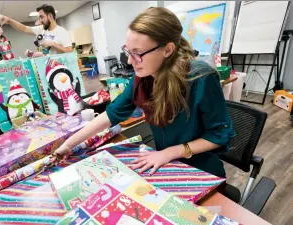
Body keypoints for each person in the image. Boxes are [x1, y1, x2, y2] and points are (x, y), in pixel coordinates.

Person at [51, 7, 235, 178]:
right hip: (164, 161)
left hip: (199, 167)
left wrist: (169, 153)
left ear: (168, 49)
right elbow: (111, 114)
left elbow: (219, 135)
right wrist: (68, 144)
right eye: (128, 51)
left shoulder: (201, 77)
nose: (130, 62)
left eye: (137, 53)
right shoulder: (143, 77)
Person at [0, 4, 72, 57]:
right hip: (49, 67)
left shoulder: (62, 32)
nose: (40, 20)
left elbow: (69, 51)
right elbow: (24, 28)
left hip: (61, 70)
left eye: (41, 17)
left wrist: (53, 44)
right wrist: (9, 20)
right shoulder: (42, 29)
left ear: (50, 16)